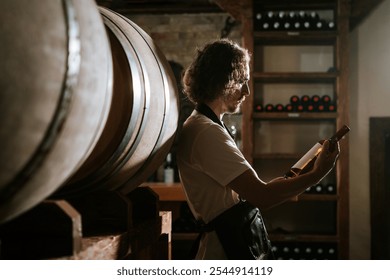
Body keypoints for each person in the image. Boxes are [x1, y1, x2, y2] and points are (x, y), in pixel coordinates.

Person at [176, 38, 340, 260]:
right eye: (242, 81)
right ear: (224, 81)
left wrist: (293, 179)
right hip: (224, 250)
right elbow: (261, 197)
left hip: (229, 241)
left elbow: (249, 194)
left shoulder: (207, 125)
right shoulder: (206, 131)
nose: (247, 91)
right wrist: (317, 174)